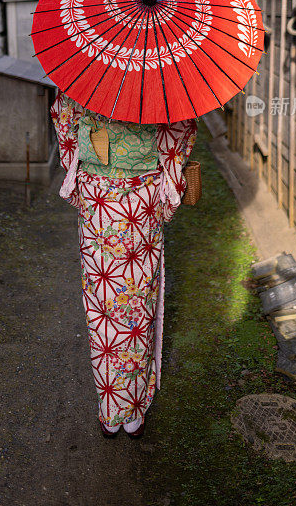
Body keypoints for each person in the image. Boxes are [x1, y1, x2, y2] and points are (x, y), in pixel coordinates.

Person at [50, 91, 197, 437]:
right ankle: (132, 409)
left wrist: (84, 161)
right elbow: (180, 130)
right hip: (141, 198)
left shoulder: (89, 64)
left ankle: (108, 408)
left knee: (101, 301)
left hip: (98, 196)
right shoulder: (161, 72)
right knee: (135, 299)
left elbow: (65, 121)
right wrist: (169, 189)